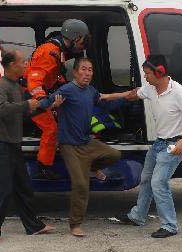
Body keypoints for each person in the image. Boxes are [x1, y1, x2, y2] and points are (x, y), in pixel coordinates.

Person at [110, 55, 182, 238]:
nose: (145, 77)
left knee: (159, 183)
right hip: (159, 143)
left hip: (173, 144)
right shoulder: (151, 89)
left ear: (160, 72)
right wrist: (106, 97)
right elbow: (132, 94)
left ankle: (170, 226)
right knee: (146, 180)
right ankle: (137, 216)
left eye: (147, 73)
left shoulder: (178, 92)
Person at [39, 57, 125, 237]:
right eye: (84, 70)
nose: (87, 73)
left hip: (87, 142)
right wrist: (53, 105)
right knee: (80, 185)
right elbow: (44, 104)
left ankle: (92, 167)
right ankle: (75, 224)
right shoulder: (67, 90)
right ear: (75, 72)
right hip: (69, 145)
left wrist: (127, 96)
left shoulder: (90, 91)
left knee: (115, 155)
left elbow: (104, 100)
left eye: (90, 70)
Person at [0, 49, 61, 244]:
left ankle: (33, 226)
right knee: (1, 189)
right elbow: (0, 111)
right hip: (2, 145)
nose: (26, 64)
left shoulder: (17, 86)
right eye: (23, 61)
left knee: (24, 187)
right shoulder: (2, 87)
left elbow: (23, 114)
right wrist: (28, 104)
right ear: (12, 65)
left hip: (13, 145)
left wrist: (46, 106)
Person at [25, 18, 90, 180]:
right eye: (83, 41)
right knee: (51, 129)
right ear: (75, 38)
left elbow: (55, 76)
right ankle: (44, 167)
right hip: (32, 97)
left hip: (42, 94)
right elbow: (34, 81)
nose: (83, 46)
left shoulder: (58, 50)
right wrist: (44, 102)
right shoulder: (49, 52)